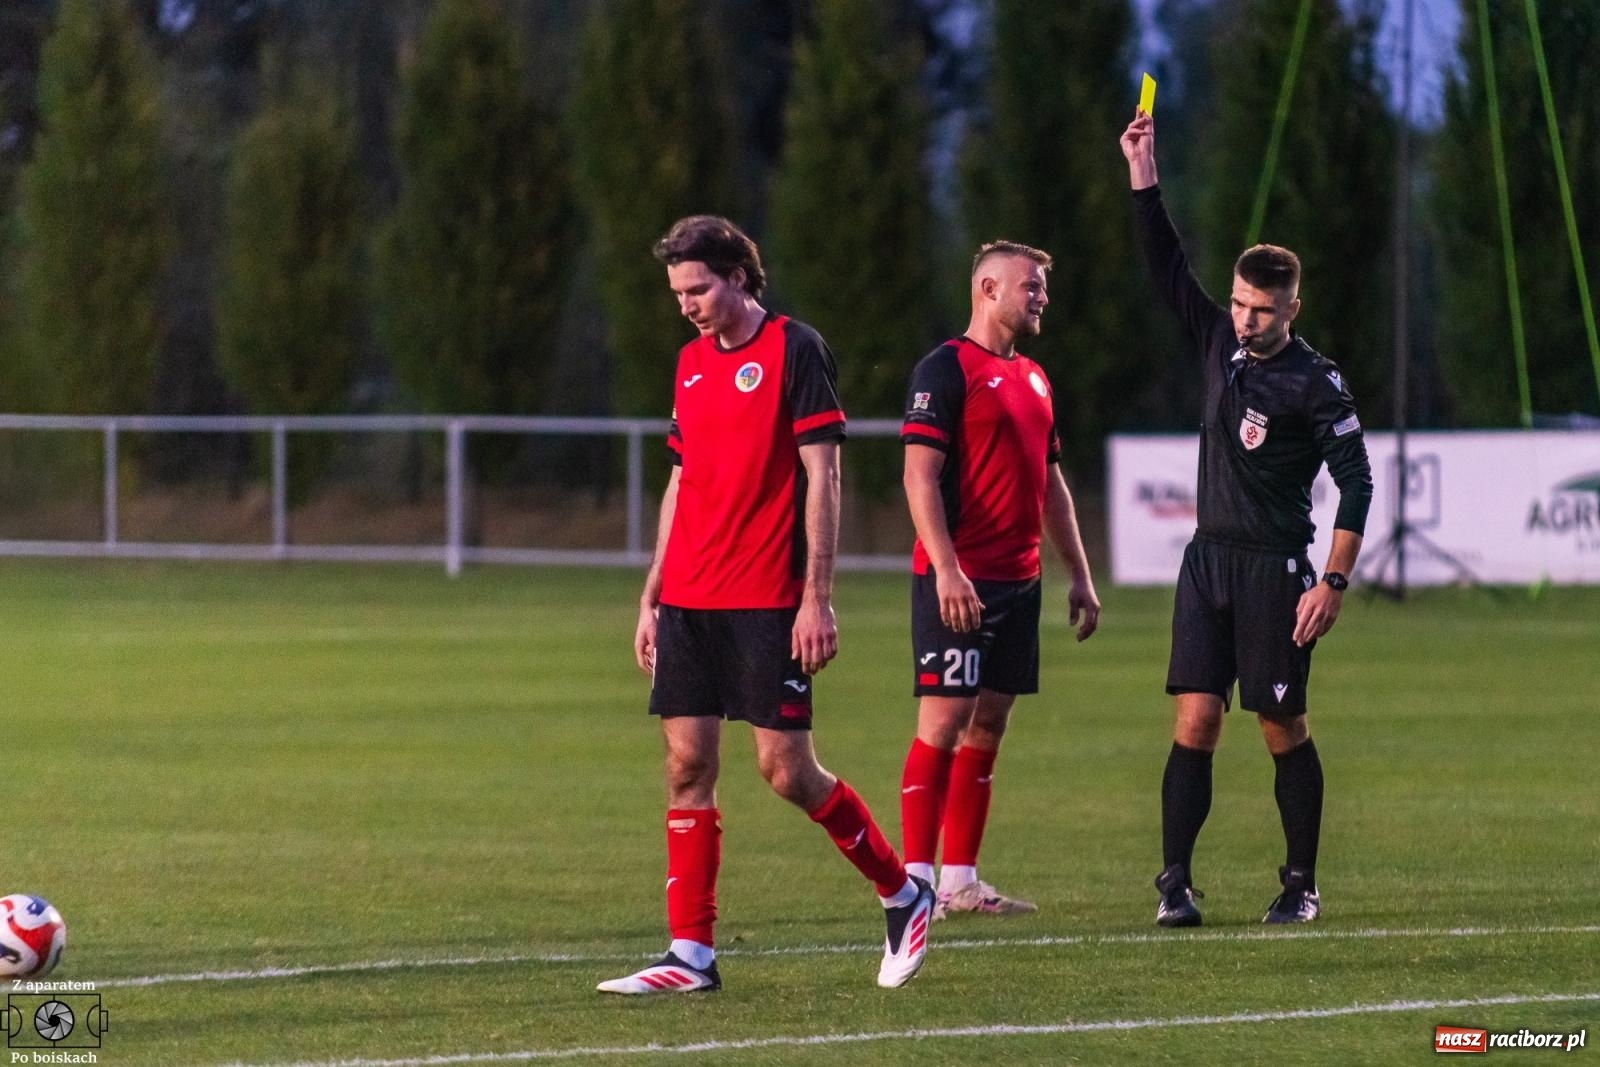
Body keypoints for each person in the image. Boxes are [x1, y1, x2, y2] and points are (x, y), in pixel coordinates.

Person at [598, 216, 935, 995]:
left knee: (786, 770)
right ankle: (691, 955)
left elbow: (825, 476)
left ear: (739, 277)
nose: (686, 305)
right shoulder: (687, 362)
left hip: (767, 597)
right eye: (678, 292)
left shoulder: (796, 349)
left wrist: (817, 597)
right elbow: (681, 479)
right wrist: (652, 586)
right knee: (687, 765)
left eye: (699, 288)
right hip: (688, 595)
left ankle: (902, 891)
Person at [1118, 111, 1373, 926]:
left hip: (1274, 568)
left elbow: (1357, 483)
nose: (1243, 319)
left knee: (1279, 723)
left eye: (1260, 310)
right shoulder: (1217, 344)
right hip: (1208, 563)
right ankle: (1174, 883)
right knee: (1193, 719)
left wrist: (1331, 581)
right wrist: (1144, 172)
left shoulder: (1316, 383)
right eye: (1236, 304)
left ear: (1292, 307)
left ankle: (1300, 882)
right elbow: (1165, 268)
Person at [897, 241, 1101, 920]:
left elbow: (1052, 486)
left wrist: (1079, 572)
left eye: (1042, 287)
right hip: (960, 579)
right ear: (986, 288)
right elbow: (918, 476)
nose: (1040, 296)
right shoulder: (945, 368)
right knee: (944, 721)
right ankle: (913, 885)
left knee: (988, 724)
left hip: (1020, 580)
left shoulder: (1036, 378)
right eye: (1029, 286)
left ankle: (960, 881)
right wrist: (949, 567)